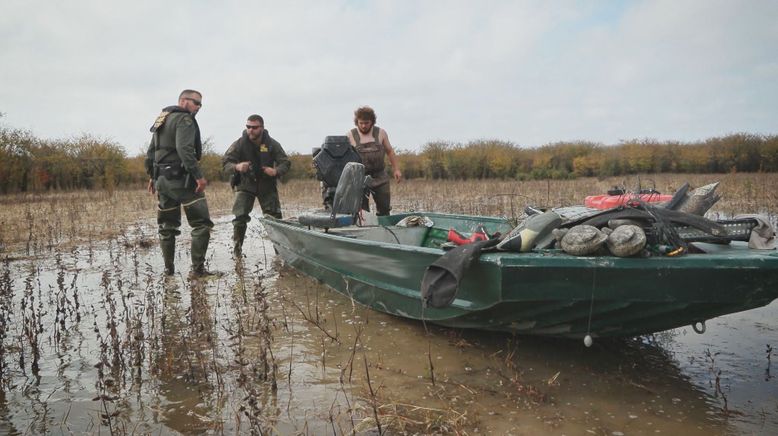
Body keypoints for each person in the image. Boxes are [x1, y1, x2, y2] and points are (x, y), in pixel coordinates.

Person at [144, 89, 214, 278]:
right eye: (196, 103)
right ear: (184, 101)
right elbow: (185, 150)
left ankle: (169, 270)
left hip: (163, 181)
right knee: (202, 224)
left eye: (200, 104)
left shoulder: (162, 118)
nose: (199, 107)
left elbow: (151, 152)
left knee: (167, 227)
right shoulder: (185, 120)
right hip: (182, 181)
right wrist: (199, 176)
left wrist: (152, 175)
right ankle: (198, 270)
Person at [223, 114, 291, 255]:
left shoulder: (272, 144)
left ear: (262, 127)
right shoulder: (239, 144)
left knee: (275, 220)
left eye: (254, 127)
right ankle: (237, 252)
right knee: (239, 218)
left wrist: (276, 171)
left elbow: (285, 162)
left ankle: (280, 253)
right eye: (248, 127)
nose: (250, 130)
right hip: (245, 184)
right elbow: (225, 163)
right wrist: (237, 167)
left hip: (266, 185)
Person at [348, 106, 402, 216]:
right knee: (361, 212)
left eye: (366, 123)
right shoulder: (350, 135)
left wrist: (396, 169)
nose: (363, 126)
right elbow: (346, 158)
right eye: (361, 123)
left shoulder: (381, 133)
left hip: (380, 177)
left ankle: (384, 229)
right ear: (357, 122)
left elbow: (390, 151)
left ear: (372, 122)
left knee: (384, 209)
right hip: (359, 178)